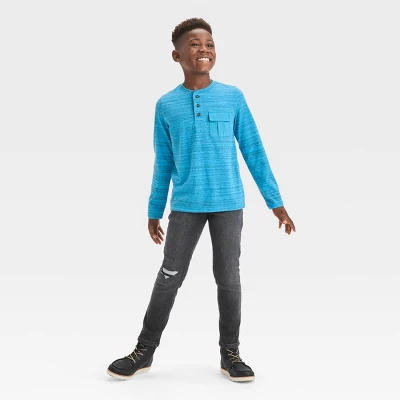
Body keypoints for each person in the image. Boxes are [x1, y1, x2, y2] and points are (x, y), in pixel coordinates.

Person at [107, 17, 296, 383]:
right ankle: (144, 350)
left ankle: (230, 353)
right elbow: (163, 163)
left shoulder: (232, 97)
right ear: (176, 55)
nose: (204, 49)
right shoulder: (166, 105)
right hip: (186, 206)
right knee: (169, 277)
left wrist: (276, 203)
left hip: (228, 204)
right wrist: (153, 211)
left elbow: (254, 151)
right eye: (194, 44)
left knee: (228, 278)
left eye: (209, 44)